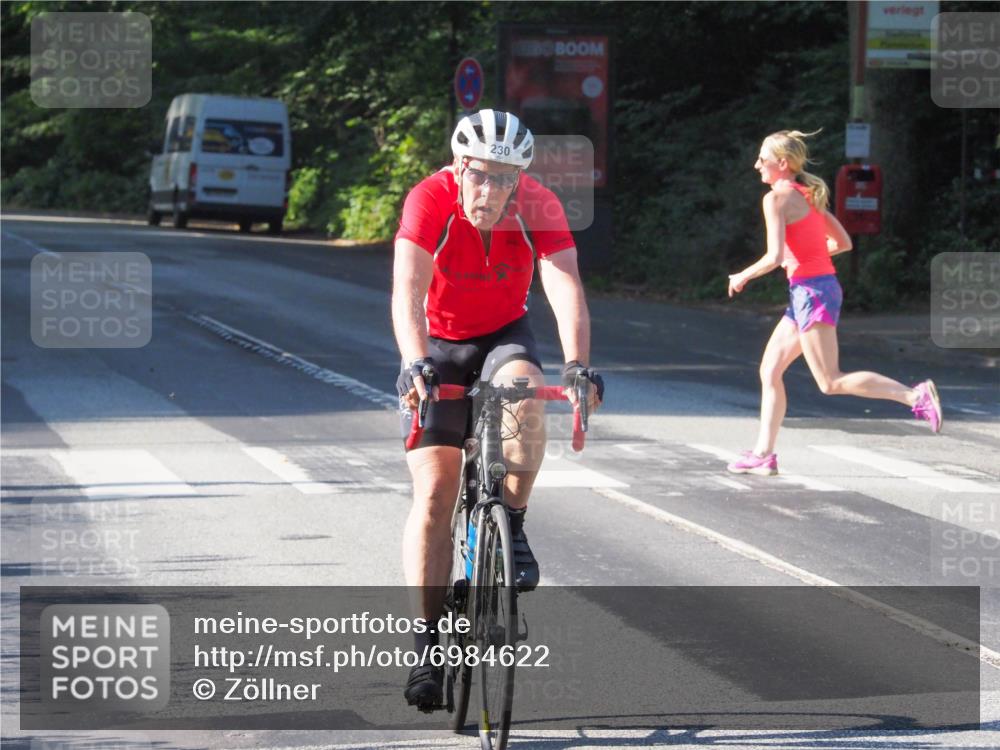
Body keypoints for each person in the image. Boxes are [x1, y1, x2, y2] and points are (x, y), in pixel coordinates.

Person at [392, 109, 604, 708]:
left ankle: (511, 522)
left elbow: (564, 285)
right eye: (481, 176)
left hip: (503, 331)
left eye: (504, 178)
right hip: (437, 342)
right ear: (460, 167)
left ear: (520, 179)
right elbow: (406, 289)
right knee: (434, 494)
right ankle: (428, 644)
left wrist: (577, 365)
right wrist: (414, 362)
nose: (490, 191)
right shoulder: (429, 199)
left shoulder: (537, 205)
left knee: (526, 395)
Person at [726, 129, 942, 476]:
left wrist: (742, 275)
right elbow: (842, 242)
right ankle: (763, 454)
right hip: (812, 291)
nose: (757, 165)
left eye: (762, 159)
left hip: (811, 293)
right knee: (770, 371)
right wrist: (803, 258)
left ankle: (915, 397)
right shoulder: (807, 194)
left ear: (782, 164)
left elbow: (774, 255)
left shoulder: (777, 198)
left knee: (830, 381)